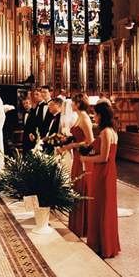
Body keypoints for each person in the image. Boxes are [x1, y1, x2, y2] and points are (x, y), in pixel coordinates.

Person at [80, 101, 120, 258]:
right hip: (110, 172)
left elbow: (103, 158)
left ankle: (101, 245)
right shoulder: (113, 131)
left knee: (101, 207)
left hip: (103, 173)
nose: (94, 117)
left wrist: (85, 158)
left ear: (100, 115)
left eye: (95, 114)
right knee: (106, 206)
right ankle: (108, 243)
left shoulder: (105, 133)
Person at [57, 92, 93, 238]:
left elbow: (91, 142)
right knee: (76, 187)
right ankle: (77, 225)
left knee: (82, 188)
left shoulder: (85, 119)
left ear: (78, 104)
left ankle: (85, 226)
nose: (71, 105)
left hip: (84, 158)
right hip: (77, 158)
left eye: (73, 102)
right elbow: (77, 138)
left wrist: (73, 144)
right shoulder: (79, 118)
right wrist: (67, 144)